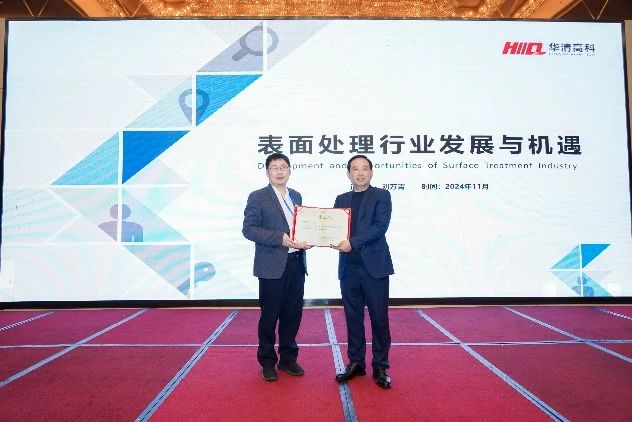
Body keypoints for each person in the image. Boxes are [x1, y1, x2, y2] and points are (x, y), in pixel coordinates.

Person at [243, 152, 310, 382]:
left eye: (283, 167)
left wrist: (308, 239)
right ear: (267, 172)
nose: (280, 171)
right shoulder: (258, 197)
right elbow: (249, 229)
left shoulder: (296, 195)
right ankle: (267, 362)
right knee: (269, 317)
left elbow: (302, 226)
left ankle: (288, 359)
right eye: (274, 167)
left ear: (290, 170)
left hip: (296, 264)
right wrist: (279, 238)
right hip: (272, 266)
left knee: (293, 315)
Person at [332, 154, 394, 389]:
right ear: (348, 173)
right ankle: (356, 362)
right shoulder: (341, 199)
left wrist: (352, 243)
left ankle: (380, 365)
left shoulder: (382, 196)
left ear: (371, 172)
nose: (360, 173)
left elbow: (380, 227)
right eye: (355, 169)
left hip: (374, 267)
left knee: (379, 319)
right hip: (348, 267)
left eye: (364, 168)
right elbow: (334, 228)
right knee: (353, 317)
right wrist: (326, 237)